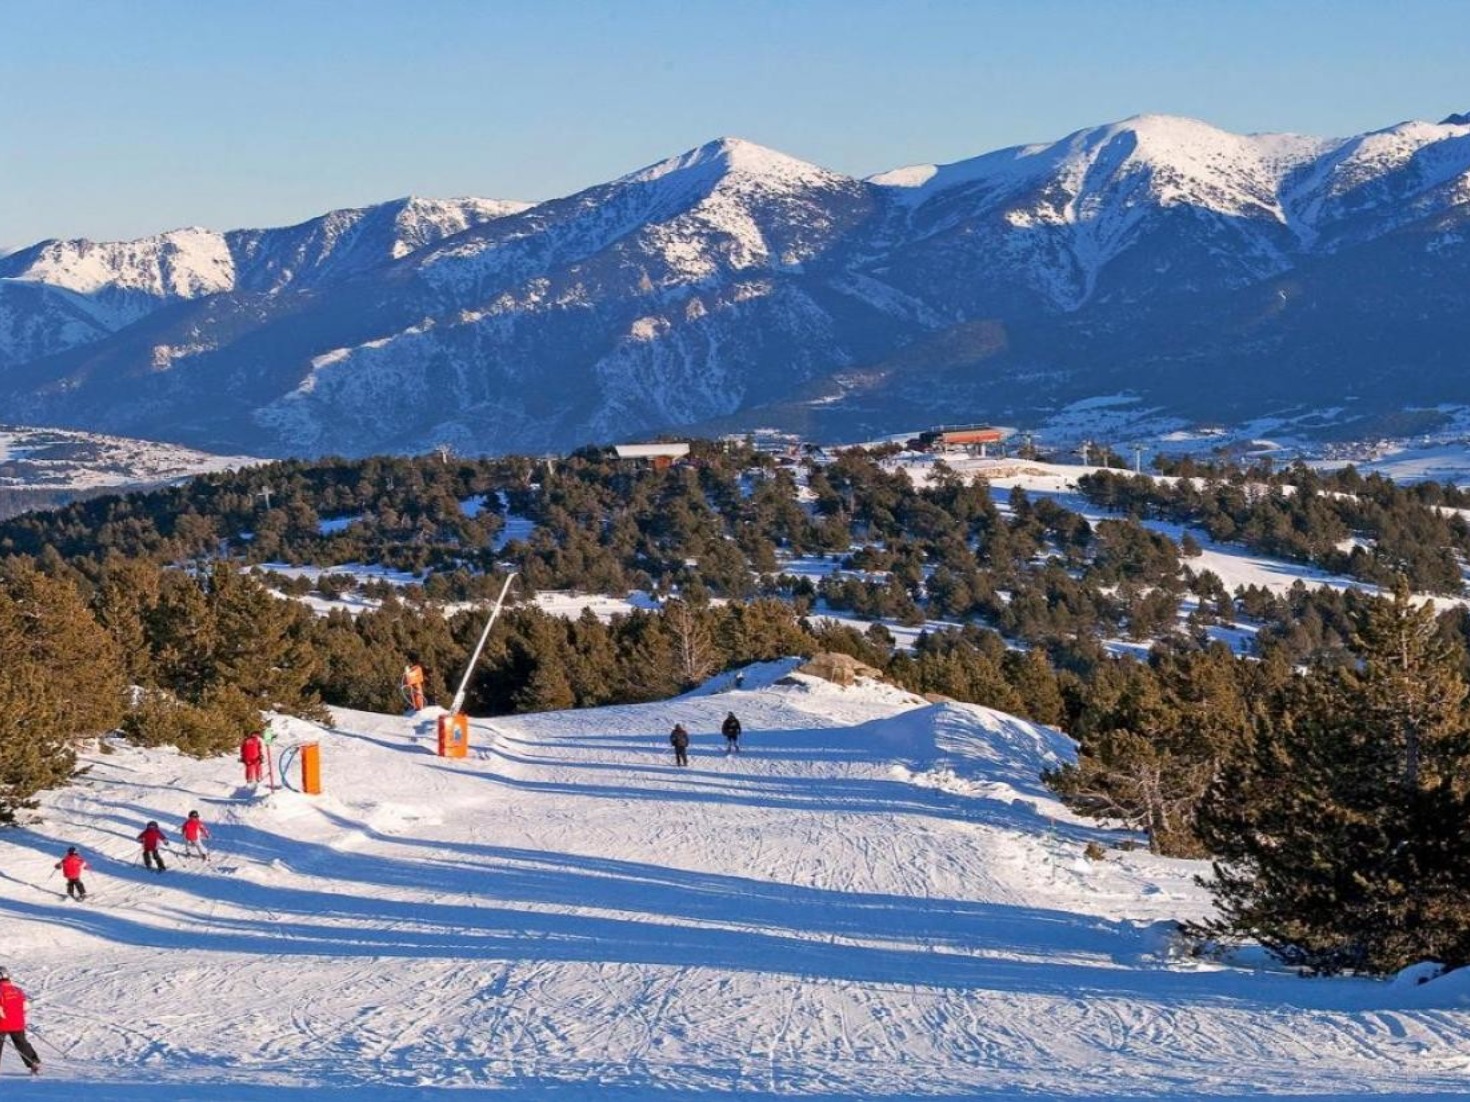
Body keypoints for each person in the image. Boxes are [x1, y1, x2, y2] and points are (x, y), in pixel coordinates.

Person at [0, 968, 42, 1075]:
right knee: (21, 1043)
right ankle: (33, 1062)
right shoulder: (18, 990)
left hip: (2, 1023)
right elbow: (26, 1006)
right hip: (17, 1022)